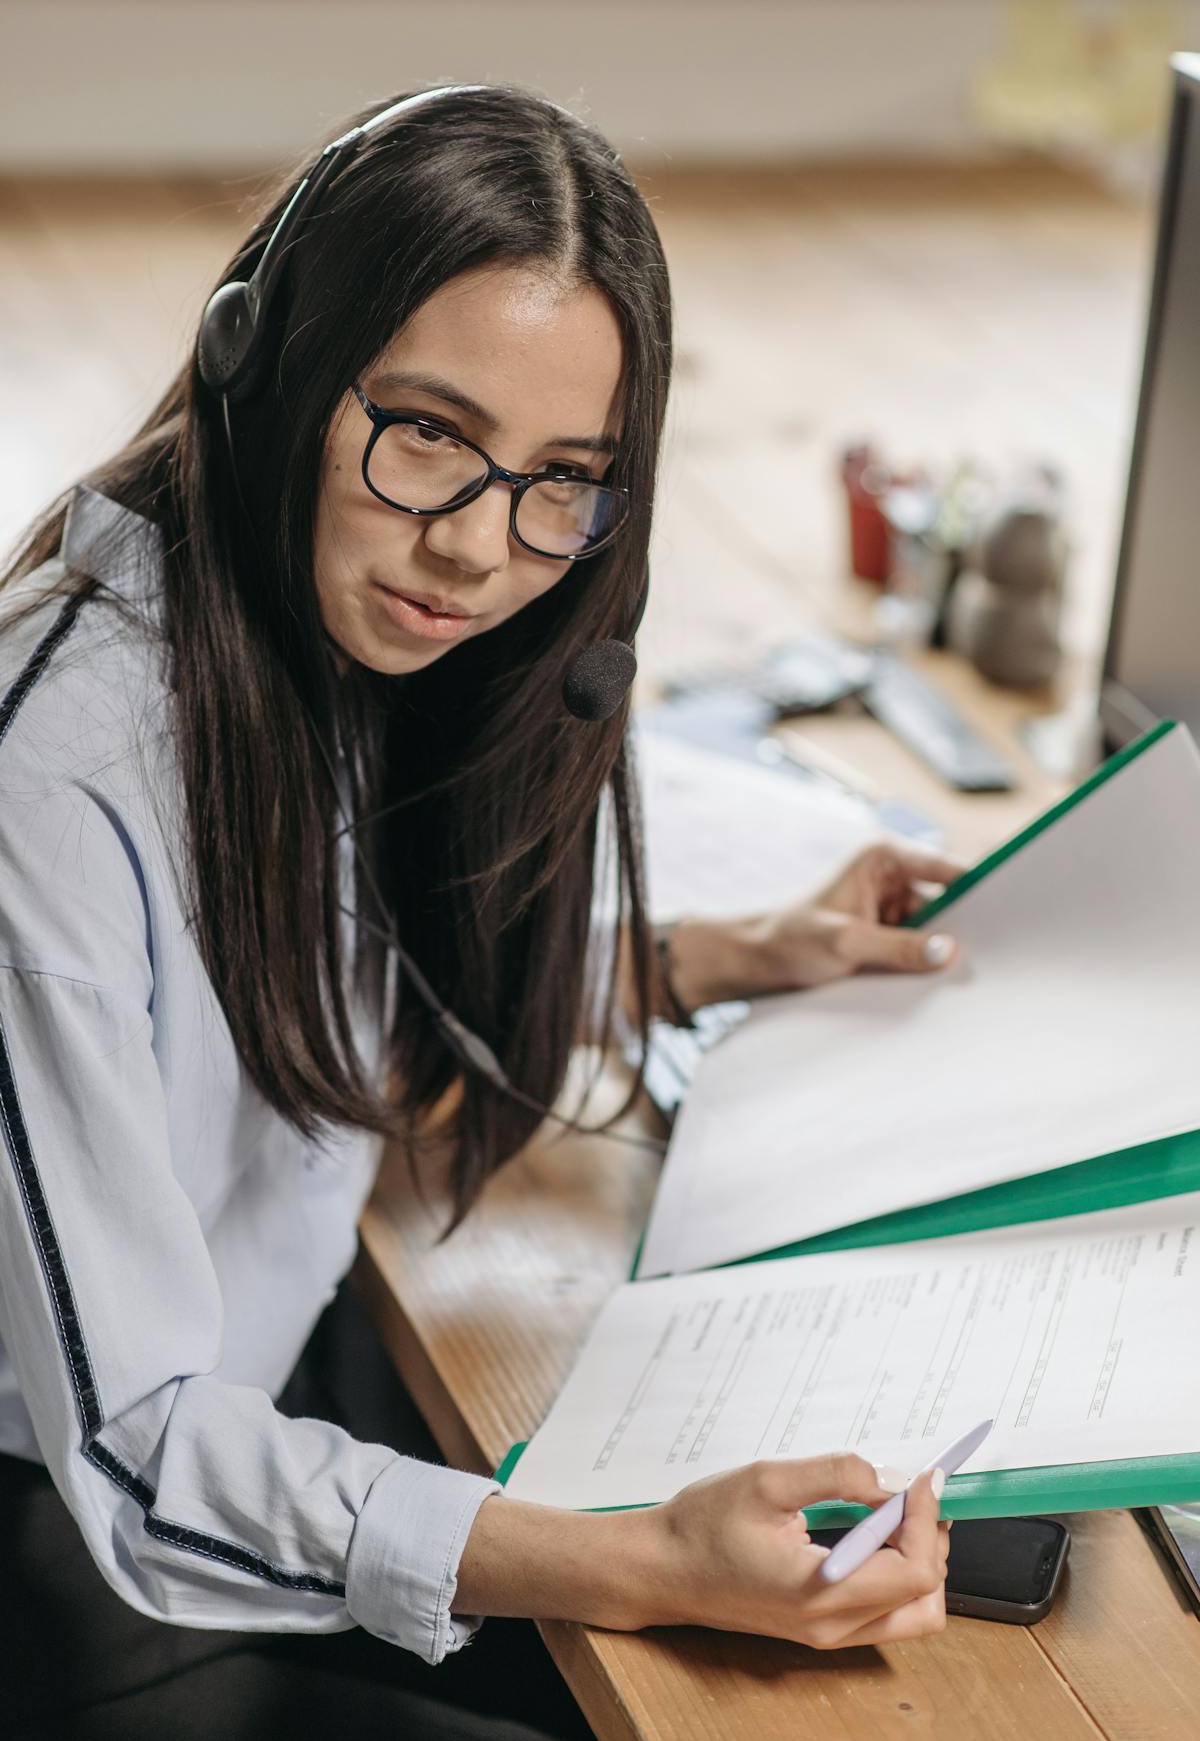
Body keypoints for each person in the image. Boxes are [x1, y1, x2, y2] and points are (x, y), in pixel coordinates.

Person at [0, 84, 961, 1741]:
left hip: (246, 1415)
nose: (478, 554)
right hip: (80, 1538)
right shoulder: (52, 777)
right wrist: (636, 1560)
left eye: (562, 478)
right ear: (268, 357)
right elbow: (137, 1450)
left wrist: (701, 959)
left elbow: (314, 967)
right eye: (431, 432)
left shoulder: (314, 626)